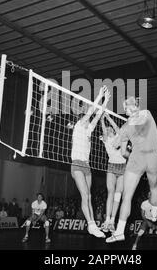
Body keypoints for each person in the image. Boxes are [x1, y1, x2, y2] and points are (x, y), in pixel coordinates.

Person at [106, 96, 157, 243]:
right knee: (154, 189)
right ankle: (154, 211)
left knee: (127, 197)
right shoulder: (147, 113)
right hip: (153, 157)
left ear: (131, 107)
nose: (125, 110)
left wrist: (116, 139)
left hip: (137, 158)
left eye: (125, 107)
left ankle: (119, 232)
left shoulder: (126, 126)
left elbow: (122, 151)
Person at [71, 86, 110, 238]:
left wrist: (106, 100)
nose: (88, 121)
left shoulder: (88, 130)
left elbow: (98, 114)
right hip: (76, 164)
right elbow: (91, 112)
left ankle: (92, 225)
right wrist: (99, 96)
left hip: (86, 166)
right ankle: (92, 225)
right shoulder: (79, 127)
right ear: (81, 120)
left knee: (89, 197)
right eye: (85, 119)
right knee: (85, 194)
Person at [100, 112, 126, 233]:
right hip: (111, 166)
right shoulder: (106, 139)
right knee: (110, 192)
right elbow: (104, 130)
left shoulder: (118, 137)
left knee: (118, 194)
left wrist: (108, 117)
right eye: (107, 129)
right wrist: (101, 119)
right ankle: (107, 219)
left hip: (122, 167)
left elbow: (116, 128)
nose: (109, 129)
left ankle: (112, 221)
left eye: (110, 129)